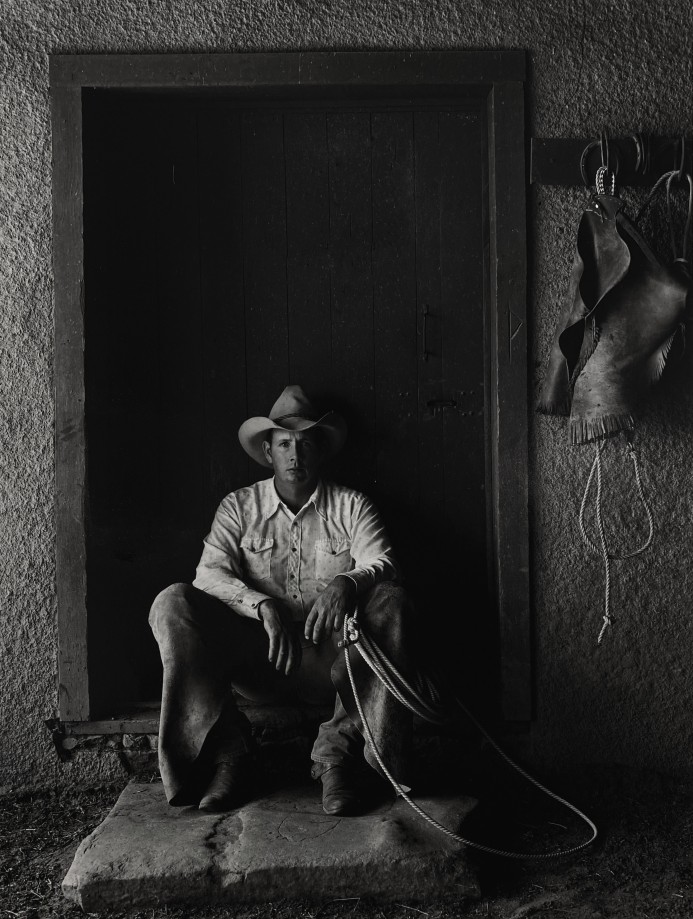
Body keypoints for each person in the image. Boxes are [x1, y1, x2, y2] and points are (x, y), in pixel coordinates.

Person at [149, 385, 415, 815]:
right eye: (285, 444)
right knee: (172, 602)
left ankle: (339, 756)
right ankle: (228, 755)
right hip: (262, 661)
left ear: (321, 451)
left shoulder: (352, 505)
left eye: (306, 443)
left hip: (336, 665)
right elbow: (207, 574)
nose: (296, 454)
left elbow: (384, 561)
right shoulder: (238, 507)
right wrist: (261, 605)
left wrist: (346, 583)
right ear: (269, 451)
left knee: (392, 601)